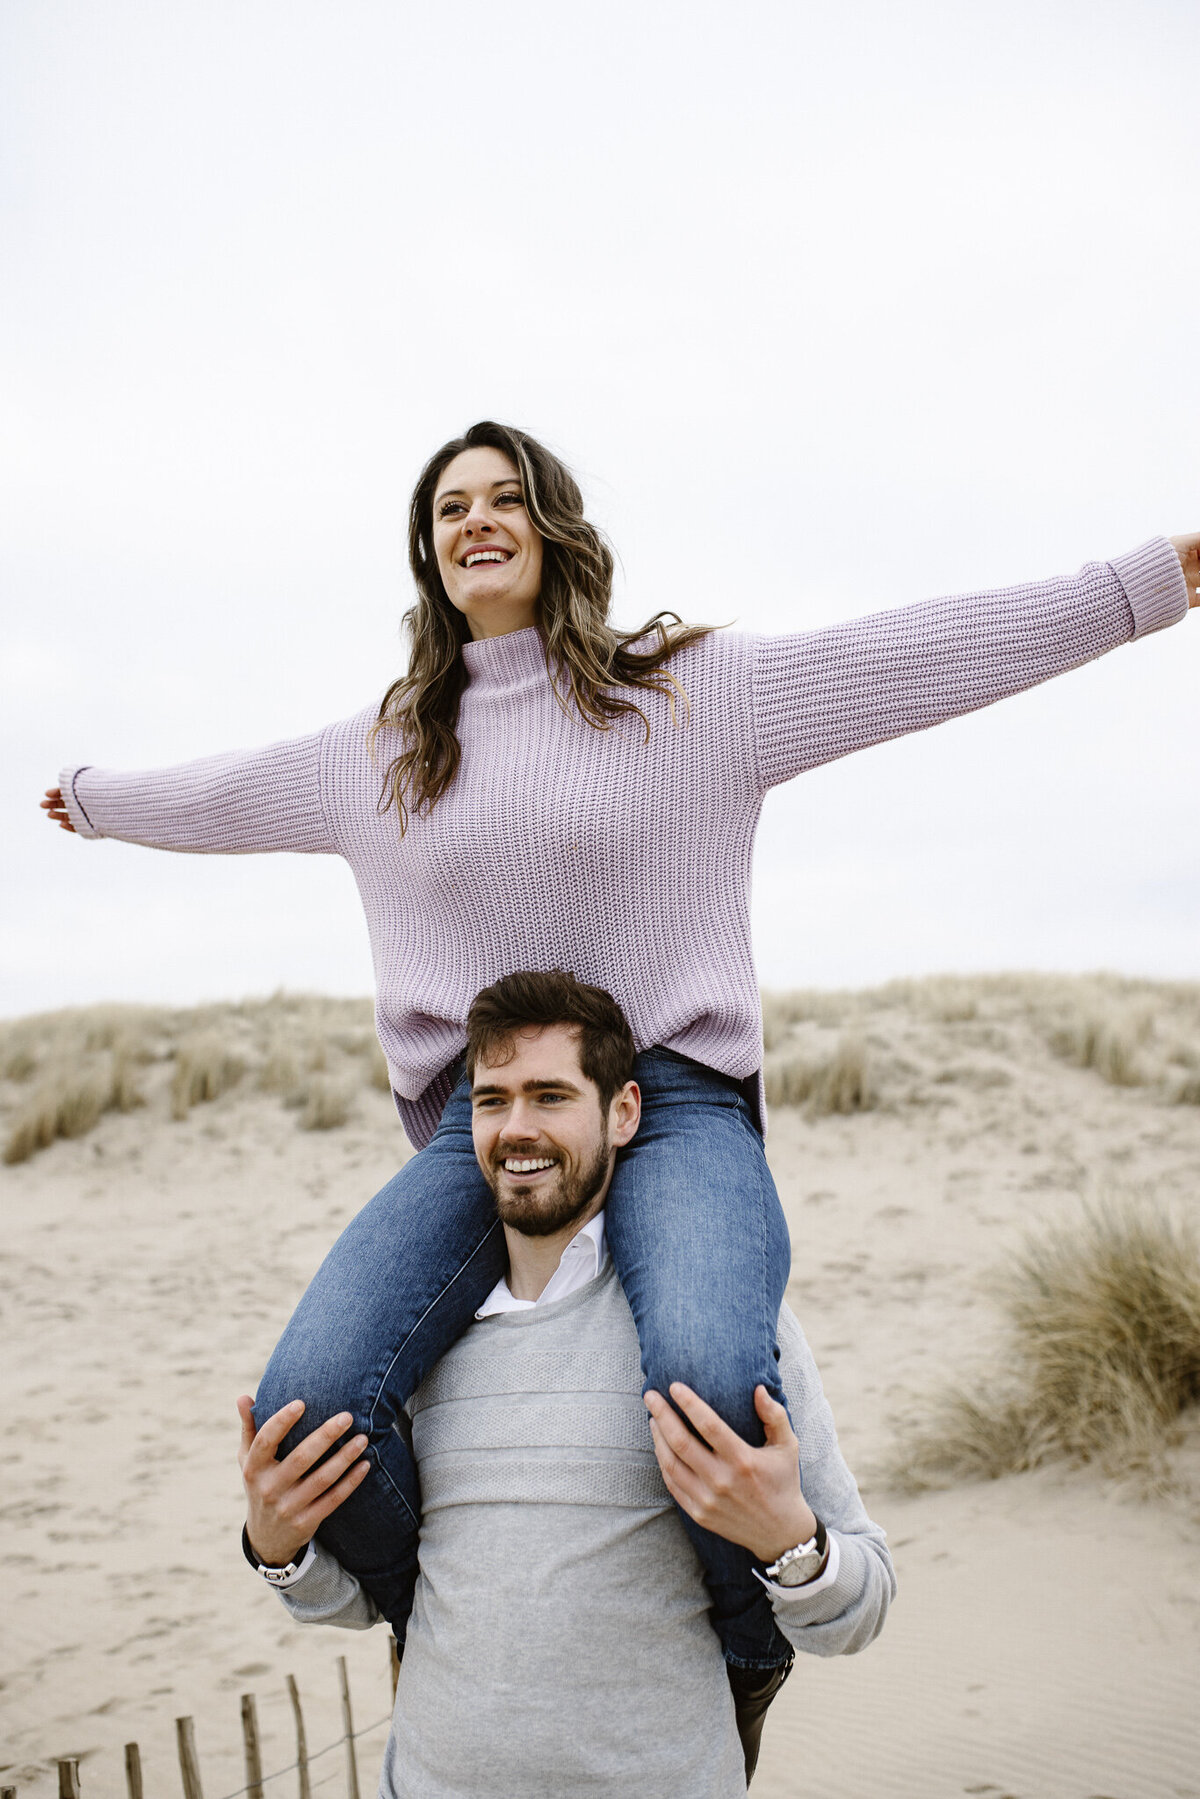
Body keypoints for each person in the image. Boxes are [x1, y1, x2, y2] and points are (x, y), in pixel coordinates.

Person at [43, 420, 1199, 1682]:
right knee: (309, 1402)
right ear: (428, 555)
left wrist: (1139, 589)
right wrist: (100, 801)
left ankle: (743, 1660)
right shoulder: (378, 749)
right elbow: (219, 792)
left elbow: (909, 657)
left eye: (504, 498)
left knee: (707, 1375)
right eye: (449, 510)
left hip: (679, 1091)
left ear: (553, 524)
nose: (476, 520)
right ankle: (447, 1639)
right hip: (489, 1120)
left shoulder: (688, 689)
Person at [237, 971, 895, 1794]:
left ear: (621, 1112)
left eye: (550, 1096)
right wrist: (278, 1547)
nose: (517, 1128)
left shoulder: (714, 1317)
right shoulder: (411, 1341)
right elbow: (380, 1603)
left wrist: (786, 1538)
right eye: (491, 1100)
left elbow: (862, 1603)